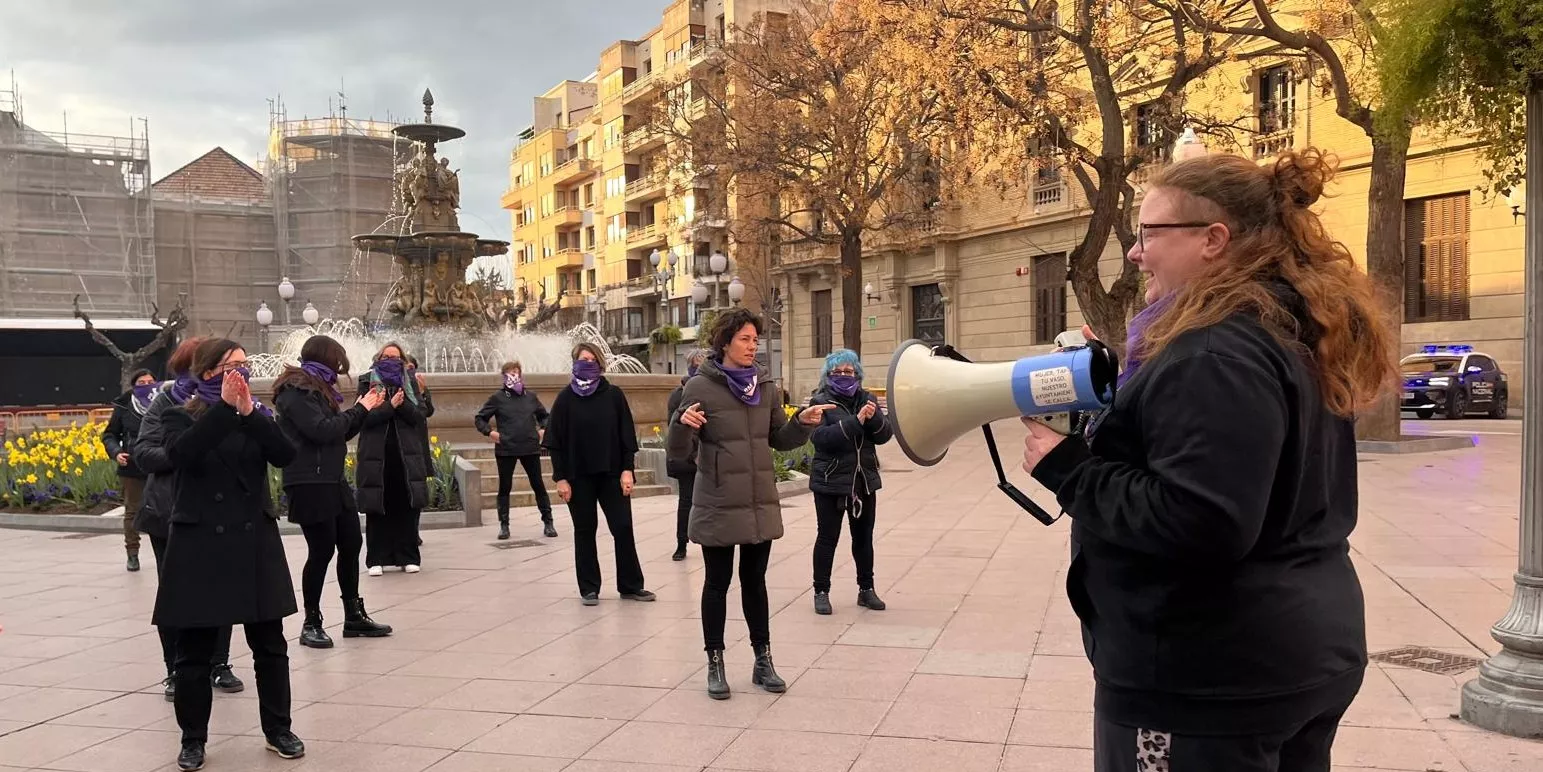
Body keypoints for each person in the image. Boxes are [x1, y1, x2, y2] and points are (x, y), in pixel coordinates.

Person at [1019, 150, 1396, 772]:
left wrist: (1069, 468)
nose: (1136, 253)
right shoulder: (1283, 330)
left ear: (1213, 240)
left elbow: (1203, 521)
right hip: (1286, 653)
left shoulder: (1213, 352)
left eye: (1149, 234)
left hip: (1204, 681)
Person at [148, 338, 305, 770]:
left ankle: (278, 729)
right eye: (232, 366)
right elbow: (181, 455)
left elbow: (285, 454)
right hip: (200, 544)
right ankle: (192, 738)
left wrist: (249, 412)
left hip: (252, 540)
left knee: (270, 646)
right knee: (194, 653)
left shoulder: (258, 417)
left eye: (245, 365)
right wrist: (224, 409)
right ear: (208, 372)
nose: (243, 373)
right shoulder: (177, 413)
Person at [668, 308, 832, 700]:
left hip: (758, 501)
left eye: (754, 340)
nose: (751, 346)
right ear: (725, 342)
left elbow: (778, 438)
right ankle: (715, 662)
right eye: (744, 339)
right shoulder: (699, 388)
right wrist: (680, 425)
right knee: (717, 584)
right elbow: (678, 453)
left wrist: (803, 423)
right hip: (719, 501)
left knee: (755, 584)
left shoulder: (765, 386)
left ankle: (763, 660)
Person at [133, 337, 243, 703]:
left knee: (224, 586)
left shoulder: (230, 399)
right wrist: (185, 452)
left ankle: (219, 663)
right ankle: (174, 668)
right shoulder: (166, 400)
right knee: (175, 594)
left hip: (219, 510)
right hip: (169, 510)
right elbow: (144, 453)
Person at [273, 335, 393, 649]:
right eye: (337, 362)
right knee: (322, 549)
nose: (340, 369)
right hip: (307, 481)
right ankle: (311, 622)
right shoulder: (296, 391)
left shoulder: (319, 389)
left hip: (331, 478)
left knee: (351, 541)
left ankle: (353, 615)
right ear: (325, 359)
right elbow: (321, 430)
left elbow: (340, 432)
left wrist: (365, 410)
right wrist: (361, 408)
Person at [542, 343, 655, 606]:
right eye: (583, 359)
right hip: (577, 476)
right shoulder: (565, 399)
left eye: (593, 359)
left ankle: (630, 585)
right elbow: (554, 442)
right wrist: (560, 478)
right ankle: (589, 588)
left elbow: (627, 435)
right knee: (584, 530)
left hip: (612, 474)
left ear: (600, 363)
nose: (588, 364)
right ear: (574, 362)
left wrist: (628, 470)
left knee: (623, 527)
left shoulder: (613, 395)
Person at [807, 349, 893, 615]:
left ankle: (866, 589)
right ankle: (821, 591)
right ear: (828, 375)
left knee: (863, 538)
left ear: (857, 373)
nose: (844, 376)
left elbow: (883, 436)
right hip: (830, 481)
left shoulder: (866, 398)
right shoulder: (820, 401)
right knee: (827, 538)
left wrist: (875, 416)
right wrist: (856, 422)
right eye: (837, 372)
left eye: (849, 371)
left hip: (862, 481)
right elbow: (821, 439)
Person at [355, 343, 429, 575]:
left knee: (406, 506)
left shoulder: (410, 382)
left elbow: (420, 416)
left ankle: (407, 556)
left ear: (402, 360)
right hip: (376, 455)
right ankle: (376, 558)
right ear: (378, 358)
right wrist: (389, 406)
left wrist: (401, 403)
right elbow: (362, 418)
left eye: (395, 357)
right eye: (386, 356)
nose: (390, 360)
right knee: (378, 506)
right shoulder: (367, 381)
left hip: (405, 455)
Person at [475, 360, 555, 541]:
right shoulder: (497, 398)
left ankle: (548, 522)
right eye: (510, 373)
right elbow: (480, 418)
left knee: (538, 485)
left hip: (530, 447)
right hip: (506, 448)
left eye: (516, 372)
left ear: (521, 374)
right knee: (505, 487)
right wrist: (491, 433)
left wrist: (543, 429)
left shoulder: (531, 397)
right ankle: (504, 526)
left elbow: (545, 416)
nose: (514, 376)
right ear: (504, 376)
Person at [102, 369, 157, 572]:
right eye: (142, 382)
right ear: (134, 386)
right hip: (132, 466)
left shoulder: (163, 402)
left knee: (165, 509)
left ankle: (167, 552)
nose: (148, 385)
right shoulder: (124, 406)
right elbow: (109, 435)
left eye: (151, 382)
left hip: (159, 464)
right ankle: (132, 553)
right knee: (132, 512)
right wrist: (116, 452)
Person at [664, 349, 709, 561]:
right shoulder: (679, 394)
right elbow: (676, 429)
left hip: (710, 458)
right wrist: (693, 454)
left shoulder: (712, 390)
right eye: (696, 364)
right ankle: (681, 543)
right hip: (687, 459)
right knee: (686, 501)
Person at [405, 354, 435, 548]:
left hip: (419, 446)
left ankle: (413, 531)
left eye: (412, 368)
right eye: (406, 368)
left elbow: (429, 411)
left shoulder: (420, 389)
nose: (410, 372)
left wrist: (423, 393)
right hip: (403, 446)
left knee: (417, 491)